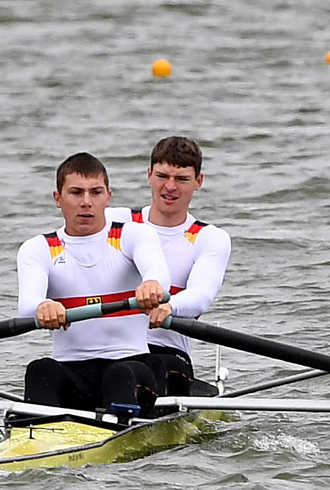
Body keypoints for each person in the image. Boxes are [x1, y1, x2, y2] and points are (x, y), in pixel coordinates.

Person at [15, 153, 170, 421]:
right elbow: (27, 305)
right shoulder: (38, 248)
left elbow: (158, 275)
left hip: (132, 365)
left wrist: (152, 286)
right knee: (40, 369)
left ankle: (117, 433)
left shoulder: (133, 235)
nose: (86, 202)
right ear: (57, 198)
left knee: (120, 373)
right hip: (72, 371)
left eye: (95, 192)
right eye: (76, 193)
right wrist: (43, 306)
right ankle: (39, 438)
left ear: (108, 196)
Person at [113, 136, 232, 398]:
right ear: (149, 175)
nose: (170, 187)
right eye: (162, 175)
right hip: (109, 348)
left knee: (140, 369)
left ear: (198, 182)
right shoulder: (116, 221)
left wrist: (170, 307)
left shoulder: (209, 238)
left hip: (167, 354)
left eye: (181, 179)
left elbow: (200, 295)